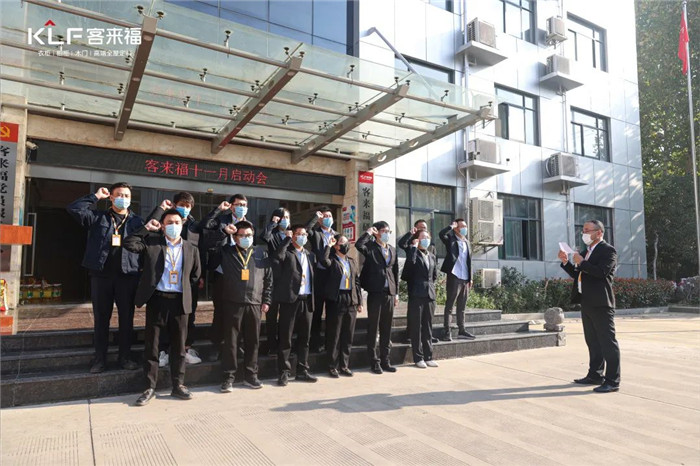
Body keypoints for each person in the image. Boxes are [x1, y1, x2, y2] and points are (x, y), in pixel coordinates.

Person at [122, 209, 201, 406]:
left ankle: (178, 384)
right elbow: (129, 243)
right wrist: (146, 228)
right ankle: (149, 387)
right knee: (153, 346)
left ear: (182, 225)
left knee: (179, 347)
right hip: (157, 300)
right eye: (169, 223)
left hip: (180, 302)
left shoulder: (191, 248)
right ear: (163, 226)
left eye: (177, 222)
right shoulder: (152, 243)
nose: (174, 226)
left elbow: (195, 276)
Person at [66, 183, 144, 373]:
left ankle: (125, 358)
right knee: (101, 318)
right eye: (119, 195)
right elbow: (73, 209)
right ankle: (99, 359)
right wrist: (95, 196)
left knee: (126, 319)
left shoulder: (137, 222)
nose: (123, 198)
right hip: (101, 275)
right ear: (111, 197)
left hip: (127, 276)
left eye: (126, 196)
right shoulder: (98, 217)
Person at [147, 192, 211, 367]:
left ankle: (186, 349)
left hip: (187, 281)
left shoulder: (195, 227)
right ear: (175, 205)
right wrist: (160, 210)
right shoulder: (165, 222)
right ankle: (163, 351)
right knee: (163, 319)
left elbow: (201, 251)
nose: (185, 209)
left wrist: (200, 275)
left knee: (189, 315)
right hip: (164, 281)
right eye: (182, 205)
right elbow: (148, 229)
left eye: (188, 206)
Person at [209, 221, 272, 392]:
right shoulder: (227, 251)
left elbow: (268, 278)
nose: (246, 238)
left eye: (249, 235)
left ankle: (251, 375)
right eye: (242, 235)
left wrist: (266, 299)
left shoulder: (261, 253)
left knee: (253, 341)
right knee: (231, 341)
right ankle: (228, 377)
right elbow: (211, 252)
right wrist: (223, 233)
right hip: (232, 302)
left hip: (255, 302)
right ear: (235, 237)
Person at [558, 220, 620, 393]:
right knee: (592, 341)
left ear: (599, 233)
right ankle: (595, 375)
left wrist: (582, 262)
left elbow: (601, 272)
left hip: (601, 303)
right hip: (587, 301)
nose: (584, 233)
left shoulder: (608, 250)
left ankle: (612, 381)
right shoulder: (586, 252)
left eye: (587, 230)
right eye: (583, 230)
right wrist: (566, 262)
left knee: (607, 342)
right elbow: (578, 274)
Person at [201, 194, 248, 362]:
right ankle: (216, 345)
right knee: (220, 311)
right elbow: (205, 229)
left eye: (244, 205)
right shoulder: (222, 221)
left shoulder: (248, 225)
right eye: (238, 204)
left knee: (239, 313)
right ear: (232, 206)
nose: (242, 207)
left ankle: (236, 345)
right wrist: (218, 211)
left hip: (241, 274)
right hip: (222, 272)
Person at [274, 225, 318, 386]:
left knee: (305, 338)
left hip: (307, 300)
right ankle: (284, 372)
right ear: (293, 236)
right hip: (290, 301)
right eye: (299, 234)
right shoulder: (287, 253)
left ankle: (302, 370)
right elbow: (277, 256)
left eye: (304, 234)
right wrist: (286, 239)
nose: (302, 237)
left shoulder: (310, 255)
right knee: (286, 338)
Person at [355, 221, 399, 374]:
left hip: (389, 293)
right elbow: (359, 245)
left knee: (387, 328)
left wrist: (396, 293)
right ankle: (374, 361)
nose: (386, 234)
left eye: (388, 231)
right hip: (375, 292)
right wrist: (368, 233)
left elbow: (395, 272)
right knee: (373, 327)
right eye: (384, 231)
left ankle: (386, 360)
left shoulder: (392, 249)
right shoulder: (371, 248)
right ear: (377, 232)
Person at [319, 234, 362, 378]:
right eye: (342, 243)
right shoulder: (332, 260)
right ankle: (332, 366)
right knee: (334, 334)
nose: (346, 245)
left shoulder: (351, 261)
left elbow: (356, 282)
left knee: (348, 335)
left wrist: (359, 302)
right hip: (336, 299)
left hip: (351, 299)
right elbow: (323, 260)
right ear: (336, 246)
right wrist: (328, 246)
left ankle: (344, 365)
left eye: (347, 242)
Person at [403, 230, 439, 368]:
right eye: (422, 237)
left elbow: (434, 275)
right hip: (417, 293)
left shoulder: (431, 256)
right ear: (416, 239)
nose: (426, 239)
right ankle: (418, 357)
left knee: (428, 326)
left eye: (427, 237)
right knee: (416, 326)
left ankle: (429, 356)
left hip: (429, 294)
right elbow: (407, 271)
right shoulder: (413, 253)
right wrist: (413, 248)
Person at [397, 219, 437, 344]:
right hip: (415, 284)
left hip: (427, 286)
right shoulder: (411, 245)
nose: (423, 230)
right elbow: (401, 244)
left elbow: (434, 270)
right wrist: (410, 234)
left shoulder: (431, 248)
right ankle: (411, 334)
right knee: (414, 312)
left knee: (427, 316)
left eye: (425, 228)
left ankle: (427, 336)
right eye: (420, 228)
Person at [259, 207, 291, 355]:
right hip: (274, 278)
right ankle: (271, 344)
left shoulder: (293, 235)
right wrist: (272, 223)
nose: (285, 220)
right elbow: (264, 236)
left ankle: (284, 345)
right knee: (271, 315)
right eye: (282, 218)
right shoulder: (274, 234)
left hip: (288, 279)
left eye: (287, 218)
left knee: (286, 316)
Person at [438, 219, 475, 341]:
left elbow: (469, 261)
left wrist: (470, 278)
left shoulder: (467, 242)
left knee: (462, 306)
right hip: (454, 275)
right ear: (456, 228)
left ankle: (462, 330)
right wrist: (450, 226)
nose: (465, 228)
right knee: (450, 305)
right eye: (462, 226)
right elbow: (441, 234)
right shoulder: (451, 239)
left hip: (465, 278)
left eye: (465, 226)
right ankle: (447, 331)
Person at [308, 207, 336, 353]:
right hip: (319, 275)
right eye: (325, 216)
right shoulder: (316, 233)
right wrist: (315, 218)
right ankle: (315, 343)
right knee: (317, 312)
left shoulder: (337, 235)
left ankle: (330, 343)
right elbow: (307, 230)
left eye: (330, 216)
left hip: (332, 276)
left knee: (332, 312)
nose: (328, 218)